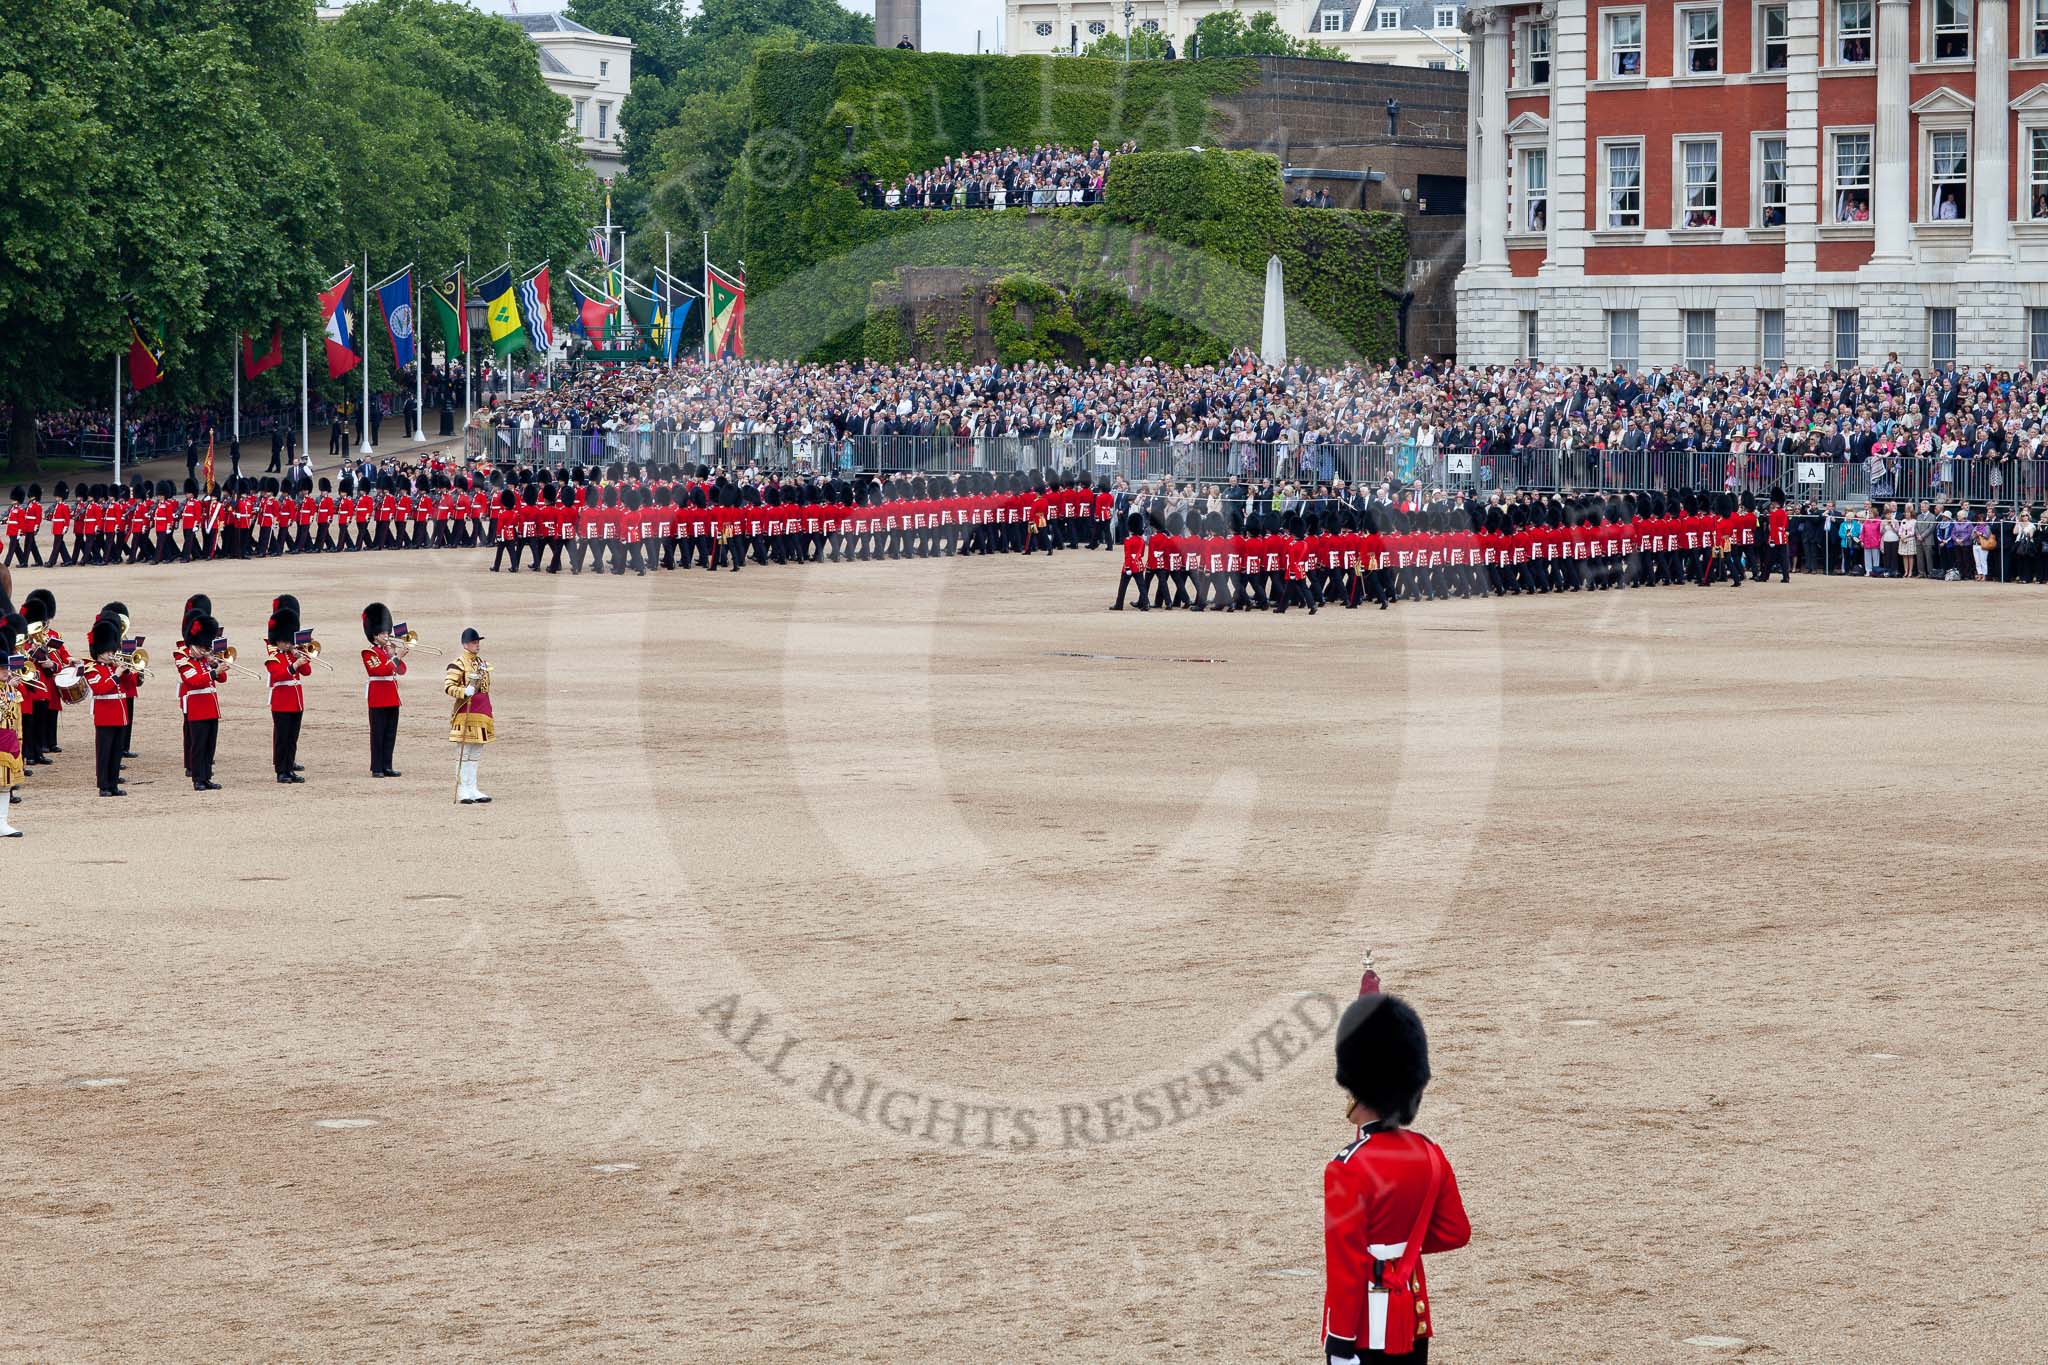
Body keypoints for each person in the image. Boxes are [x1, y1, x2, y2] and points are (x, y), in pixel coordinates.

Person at [1323, 992, 1470, 1364]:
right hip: (1412, 1313)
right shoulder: (1429, 1152)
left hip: (1366, 1328)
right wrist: (1402, 1251)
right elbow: (1455, 1232)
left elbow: (1346, 1266)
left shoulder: (1347, 1167)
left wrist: (1339, 1342)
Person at [177, 611, 227, 791]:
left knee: (209, 745)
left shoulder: (206, 660)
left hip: (211, 707)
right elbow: (194, 681)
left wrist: (215, 665)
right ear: (193, 645)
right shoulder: (184, 661)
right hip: (197, 708)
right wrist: (214, 671)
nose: (205, 650)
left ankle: (206, 777)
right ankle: (198, 779)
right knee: (198, 746)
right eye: (202, 647)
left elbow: (222, 680)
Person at [263, 607, 312, 783]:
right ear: (278, 641)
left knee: (292, 738)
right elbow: (278, 675)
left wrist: (300, 656)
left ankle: (289, 768)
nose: (288, 644)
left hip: (296, 702)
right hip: (282, 702)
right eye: (285, 641)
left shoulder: (293, 654)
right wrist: (294, 665)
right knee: (282, 738)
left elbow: (307, 671)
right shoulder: (274, 657)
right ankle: (281, 771)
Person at [445, 627, 493, 805]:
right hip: (466, 710)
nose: (477, 645)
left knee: (476, 752)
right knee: (463, 752)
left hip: (482, 710)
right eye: (474, 642)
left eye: (478, 642)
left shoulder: (481, 662)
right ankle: (462, 789)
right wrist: (464, 691)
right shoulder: (458, 663)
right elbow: (448, 686)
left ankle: (472, 787)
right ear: (465, 644)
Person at [84, 614, 130, 797]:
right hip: (105, 716)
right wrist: (117, 674)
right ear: (99, 651)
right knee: (104, 752)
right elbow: (100, 688)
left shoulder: (114, 667)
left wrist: (128, 672)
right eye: (108, 650)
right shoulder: (93, 669)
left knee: (116, 752)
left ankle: (113, 784)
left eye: (112, 649)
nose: (111, 653)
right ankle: (103, 785)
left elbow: (132, 684)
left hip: (120, 715)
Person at [362, 602, 408, 778]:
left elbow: (401, 671)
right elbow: (380, 670)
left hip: (392, 696)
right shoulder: (368, 652)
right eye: (383, 633)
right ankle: (377, 767)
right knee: (378, 733)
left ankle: (387, 765)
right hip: (378, 696)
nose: (386, 635)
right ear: (375, 635)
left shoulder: (387, 652)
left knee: (390, 733)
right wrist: (395, 657)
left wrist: (393, 655)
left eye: (386, 632)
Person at [0, 612, 25, 835]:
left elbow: (15, 711)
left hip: (8, 740)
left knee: (6, 783)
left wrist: (11, 688)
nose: (7, 672)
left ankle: (2, 823)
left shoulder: (8, 688)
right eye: (3, 669)